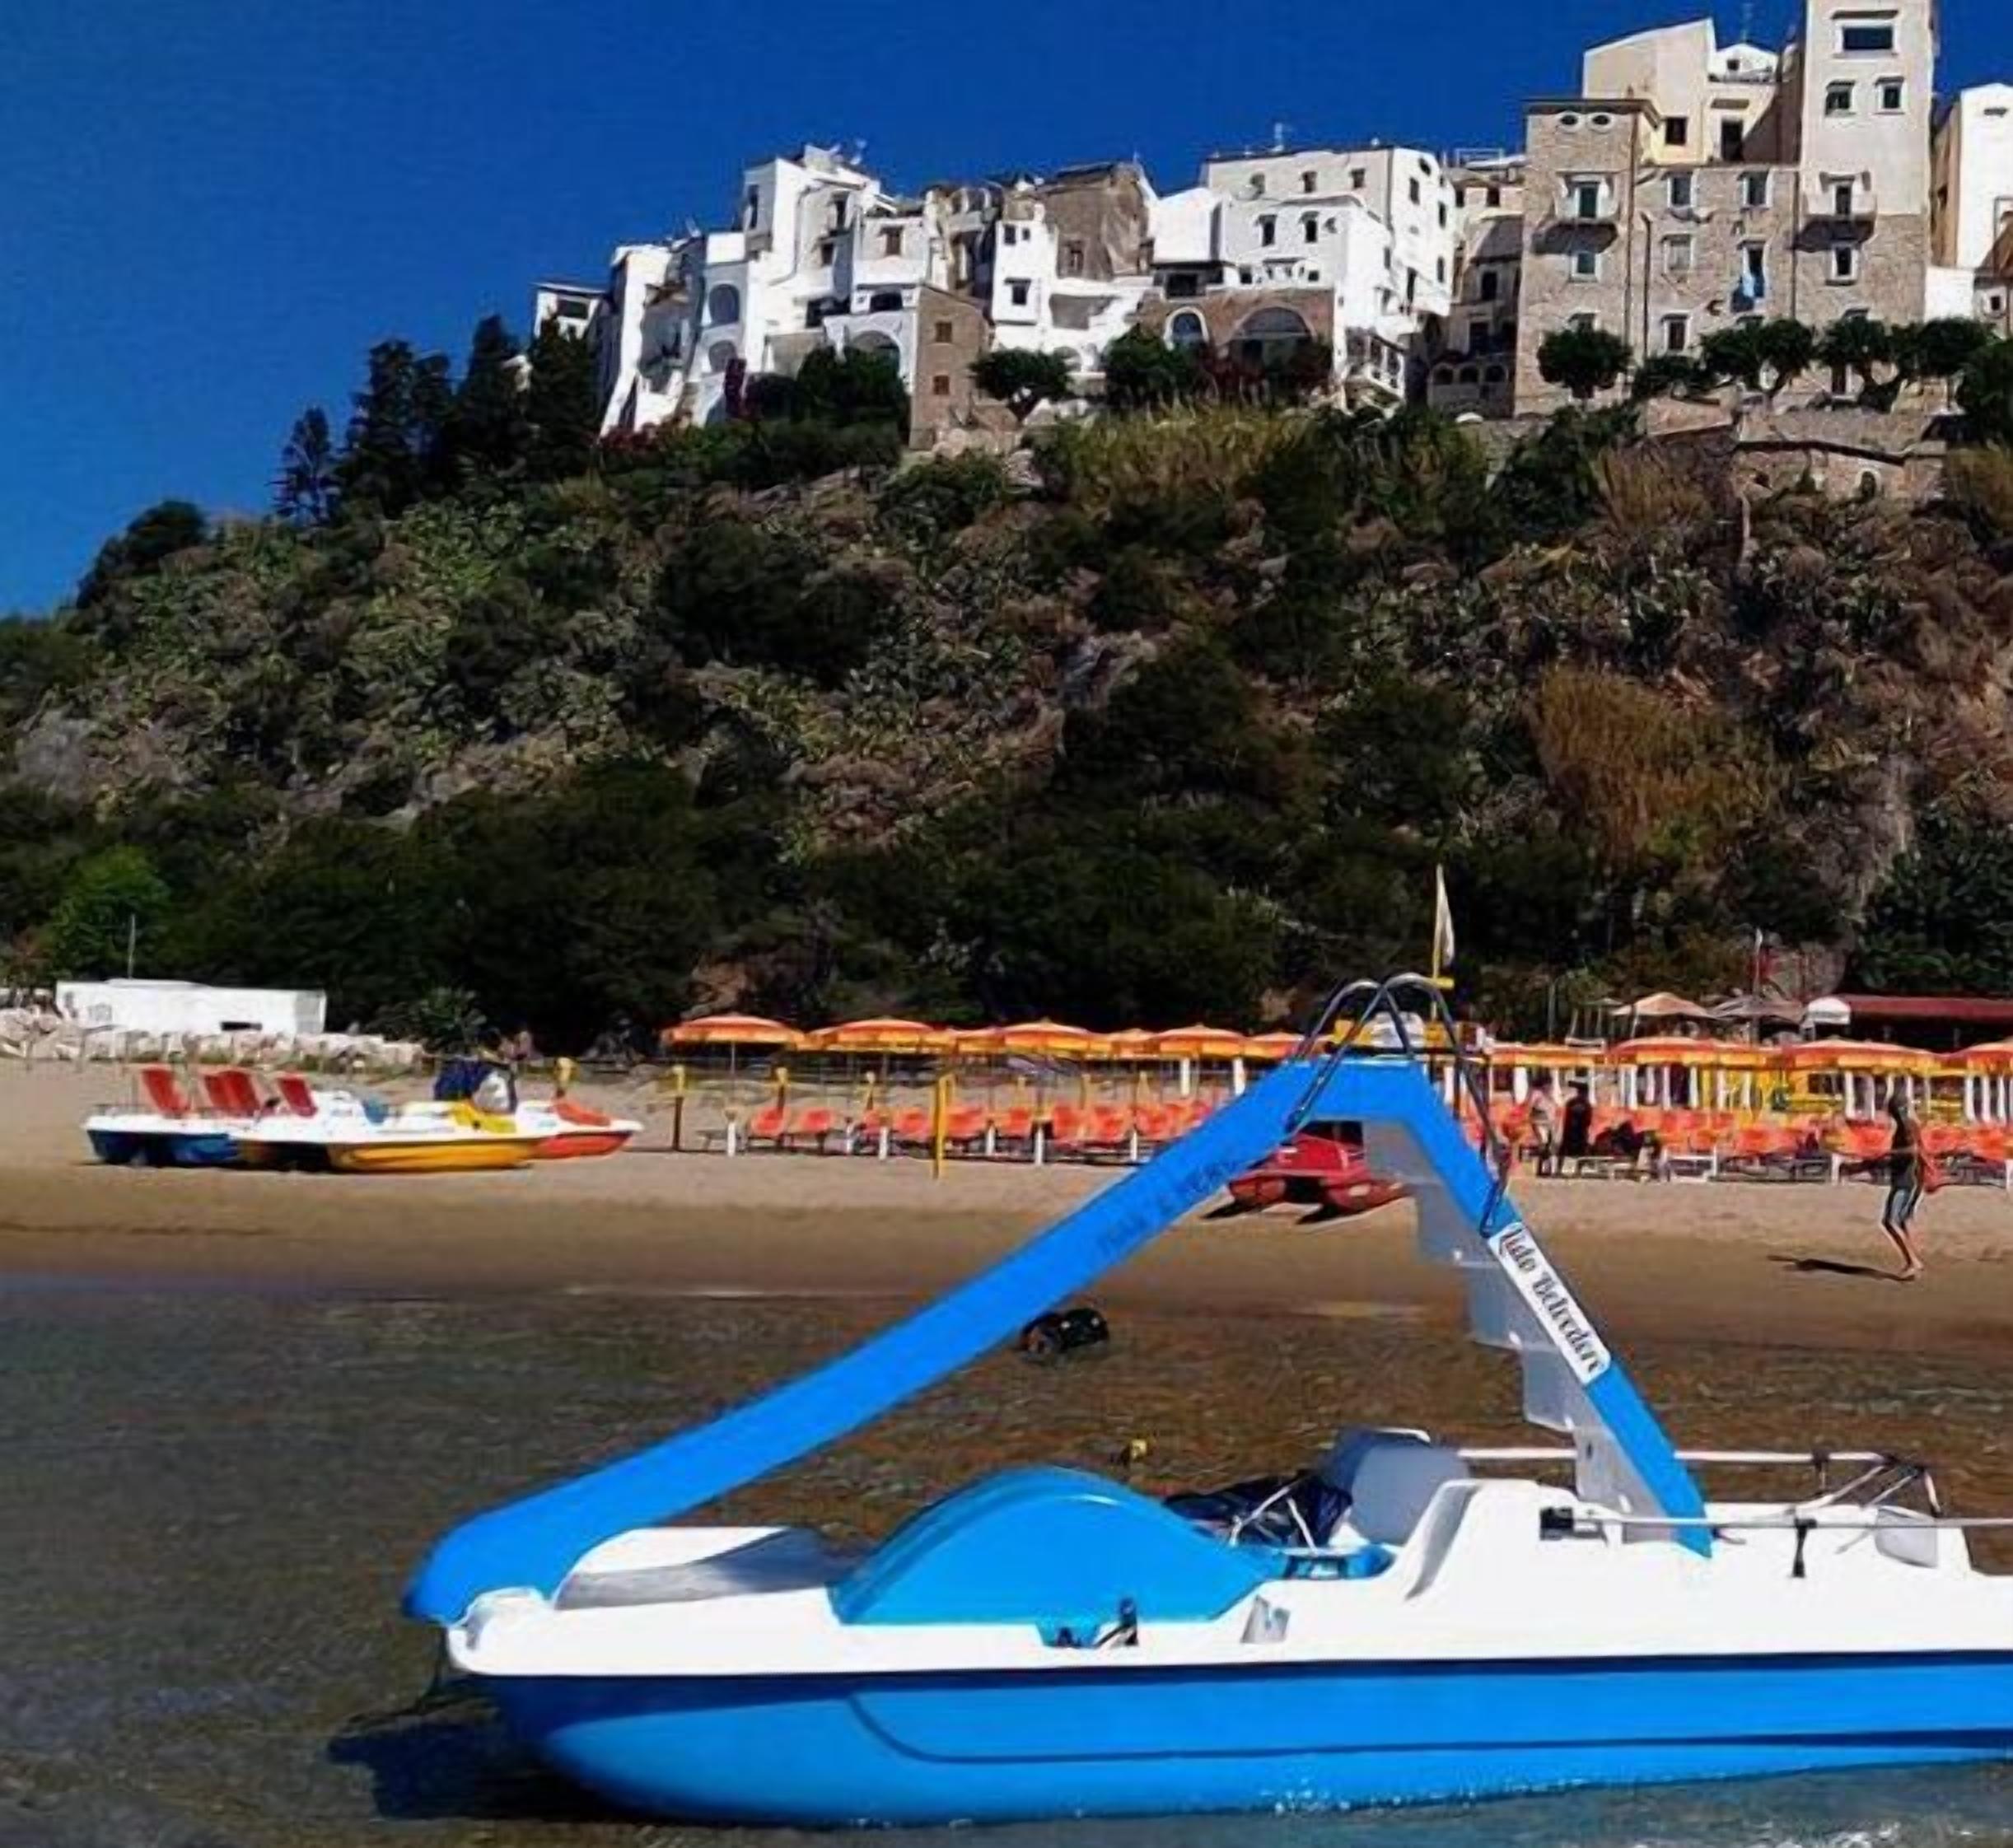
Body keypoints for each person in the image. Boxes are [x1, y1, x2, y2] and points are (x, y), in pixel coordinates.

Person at [1875, 1090, 1927, 1281]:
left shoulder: (1906, 1126)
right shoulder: (1911, 1125)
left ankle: (1912, 1261)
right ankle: (1914, 1261)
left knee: (1889, 1221)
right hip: (1912, 1179)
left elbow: (1912, 1151)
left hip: (1905, 1181)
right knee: (1904, 1220)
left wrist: (1889, 1154)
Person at [1526, 1080, 1560, 1176]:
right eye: (1548, 1085)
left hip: (1550, 1124)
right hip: (1540, 1123)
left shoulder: (1551, 1097)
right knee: (1544, 1144)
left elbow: (1554, 1109)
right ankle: (1542, 1168)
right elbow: (1531, 1107)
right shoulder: (1537, 1094)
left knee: (1550, 1146)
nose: (1550, 1088)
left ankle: (1548, 1168)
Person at [1558, 1084, 1594, 1172]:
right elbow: (1588, 1120)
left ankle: (1562, 1167)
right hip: (1580, 1131)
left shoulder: (1571, 1103)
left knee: (1567, 1149)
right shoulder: (1586, 1104)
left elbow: (1566, 1118)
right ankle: (1579, 1168)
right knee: (1580, 1149)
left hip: (1570, 1130)